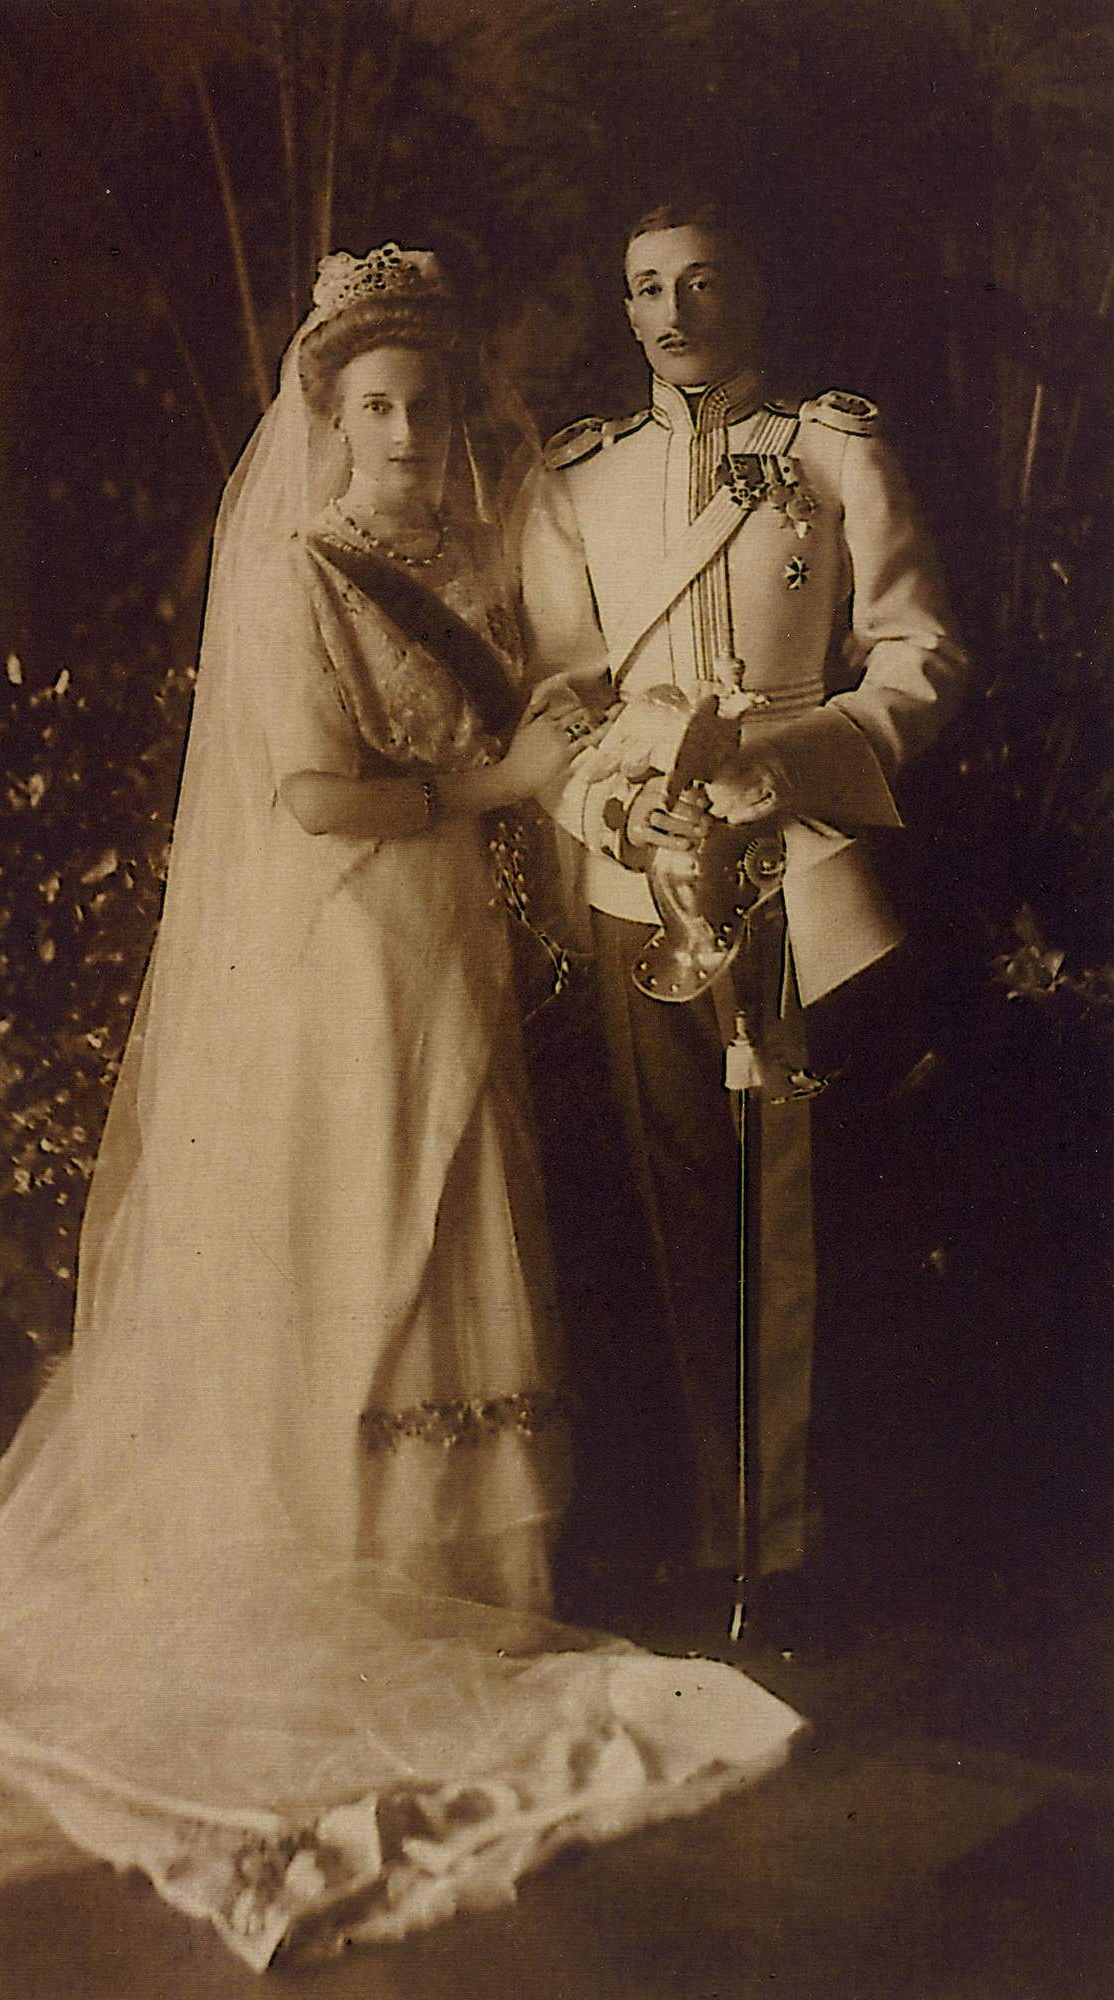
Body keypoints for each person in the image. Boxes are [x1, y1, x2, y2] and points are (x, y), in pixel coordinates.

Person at [0, 244, 800, 1971]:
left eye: (422, 404)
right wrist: (499, 778)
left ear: (453, 412)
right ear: (329, 421)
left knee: (450, 1191)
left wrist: (556, 734)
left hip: (441, 929)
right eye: (371, 407)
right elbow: (316, 792)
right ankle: (337, 1554)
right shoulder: (303, 567)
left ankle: (459, 1576)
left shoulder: (459, 546)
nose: (399, 432)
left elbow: (513, 709)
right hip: (338, 947)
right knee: (368, 1195)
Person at [518, 200, 969, 1615]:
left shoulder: (833, 453)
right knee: (674, 1200)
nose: (674, 313)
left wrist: (791, 751)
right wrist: (614, 805)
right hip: (643, 874)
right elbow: (559, 696)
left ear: (753, 288)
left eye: (704, 281)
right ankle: (717, 1533)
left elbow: (923, 652)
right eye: (648, 287)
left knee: (814, 1203)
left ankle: (808, 1539)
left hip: (805, 851)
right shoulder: (576, 479)